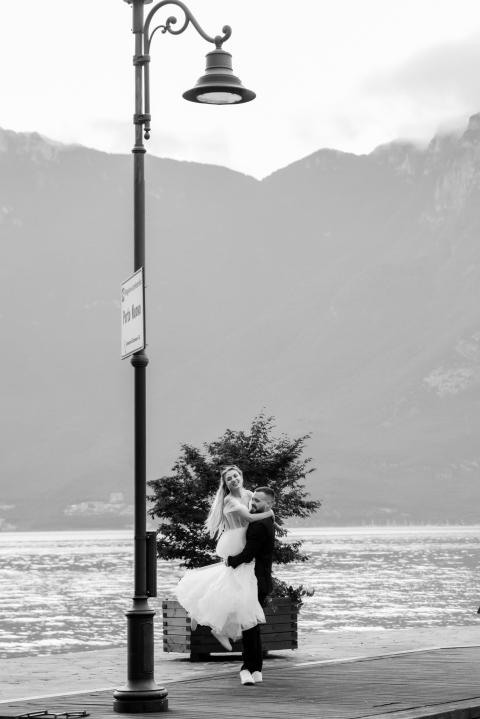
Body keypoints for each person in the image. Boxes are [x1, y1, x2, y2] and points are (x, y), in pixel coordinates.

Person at [174, 465, 274, 653]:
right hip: (236, 539)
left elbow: (257, 511)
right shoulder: (229, 500)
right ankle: (208, 619)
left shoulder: (249, 494)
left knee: (231, 585)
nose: (234, 480)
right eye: (229, 479)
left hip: (245, 537)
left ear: (241, 476)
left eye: (236, 476)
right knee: (230, 582)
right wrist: (270, 514)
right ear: (226, 484)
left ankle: (209, 619)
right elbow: (249, 517)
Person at [226, 486, 275, 686]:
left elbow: (247, 555)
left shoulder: (259, 525)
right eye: (253, 499)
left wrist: (229, 561)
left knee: (248, 626)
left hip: (254, 581)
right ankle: (256, 670)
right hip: (261, 580)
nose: (253, 502)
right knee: (251, 626)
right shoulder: (268, 520)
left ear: (269, 504)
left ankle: (247, 668)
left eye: (258, 501)